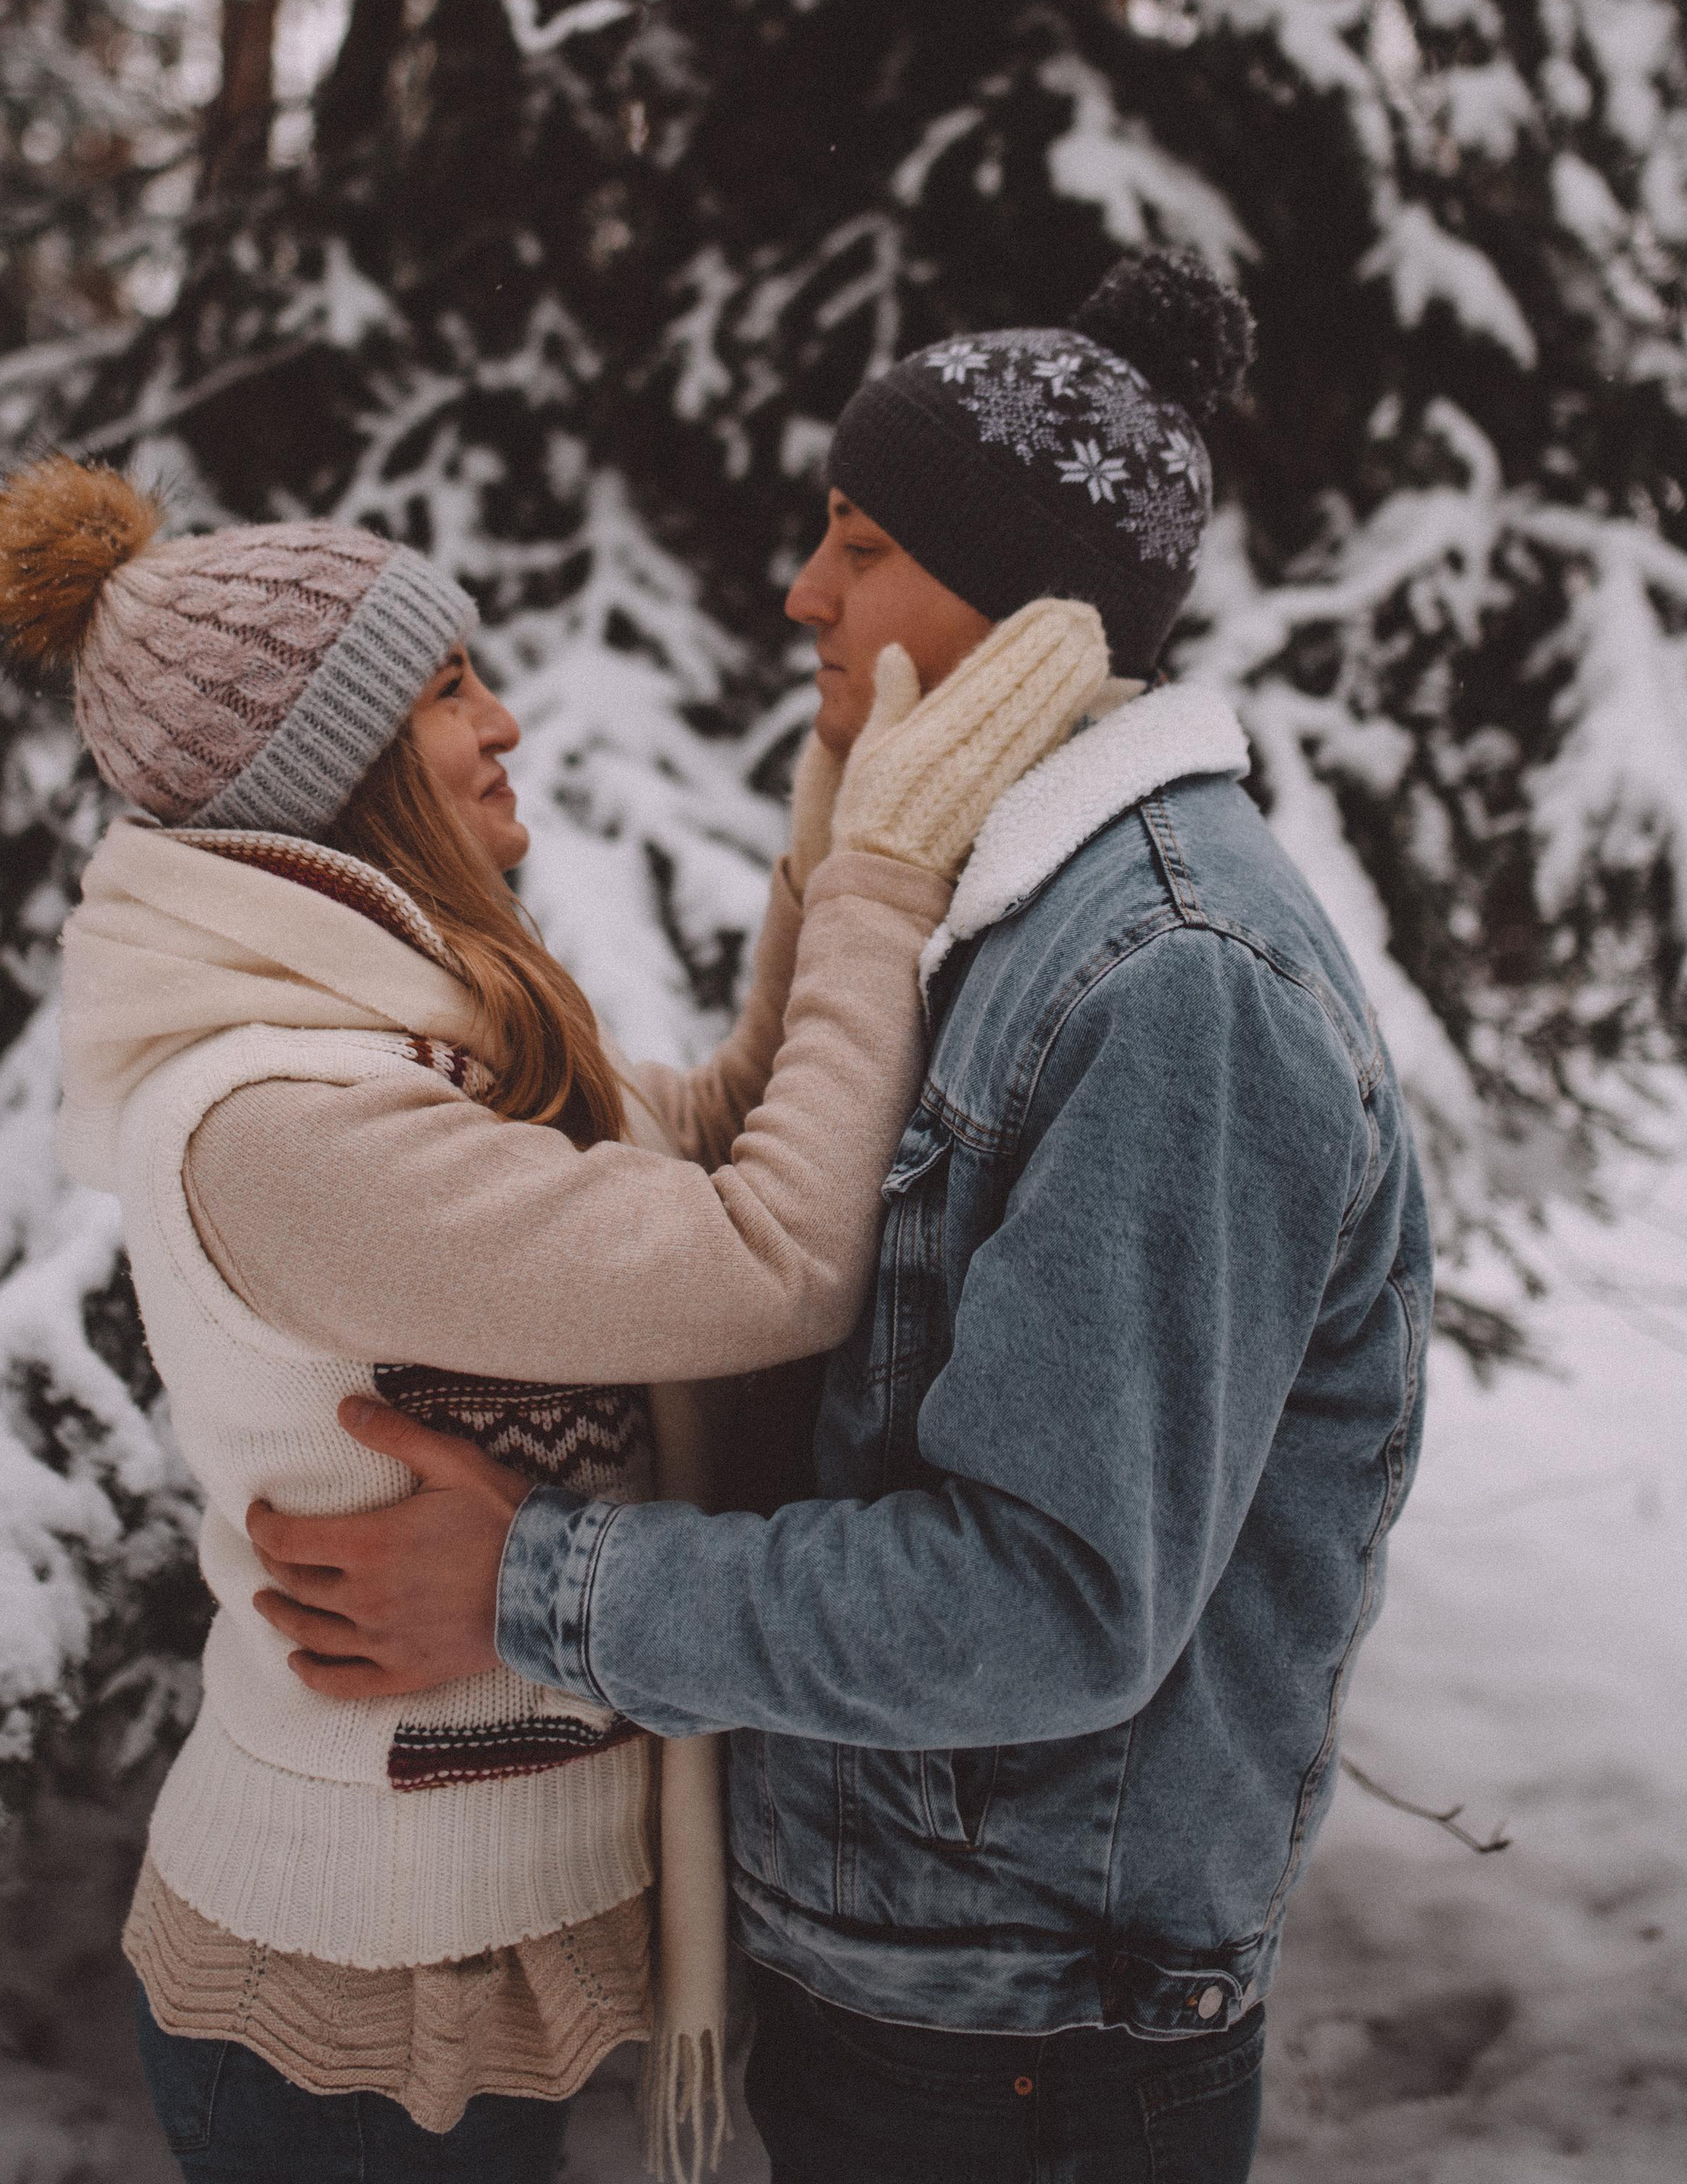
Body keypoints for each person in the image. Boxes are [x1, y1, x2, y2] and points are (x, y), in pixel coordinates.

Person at [248, 250, 1434, 2184]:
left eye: (861, 544)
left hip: (1025, 2035)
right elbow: (762, 1210)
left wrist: (534, 1586)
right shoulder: (997, 907)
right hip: (906, 1978)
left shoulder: (1173, 981)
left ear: (1023, 600)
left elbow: (1048, 1600)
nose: (803, 591)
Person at [0, 452, 1115, 2184]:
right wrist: (882, 877)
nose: (502, 722)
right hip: (355, 1995)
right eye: (446, 690)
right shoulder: (280, 1122)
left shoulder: (406, 1036)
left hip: (473, 1938)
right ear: (336, 769)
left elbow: (710, 1135)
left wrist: (830, 825)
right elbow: (764, 1255)